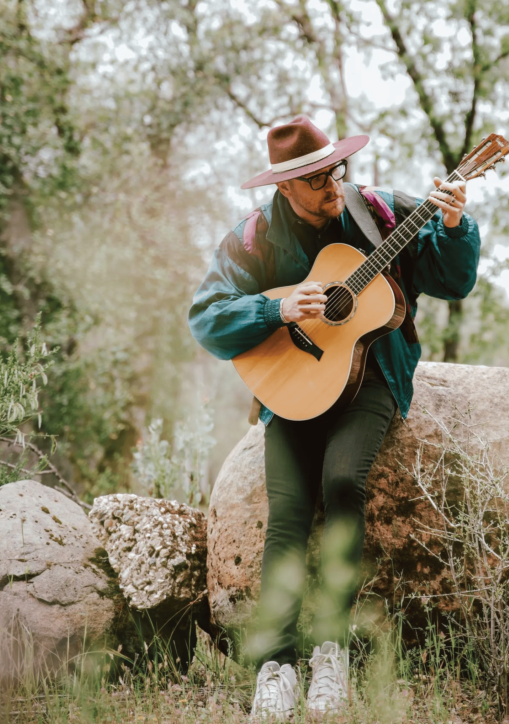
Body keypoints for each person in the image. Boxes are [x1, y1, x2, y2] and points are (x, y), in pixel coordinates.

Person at [189, 115, 480, 719]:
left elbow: (453, 281)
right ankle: (275, 666)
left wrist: (452, 223)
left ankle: (332, 655)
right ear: (284, 187)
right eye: (317, 181)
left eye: (335, 172)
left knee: (343, 484)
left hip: (372, 377)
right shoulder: (253, 238)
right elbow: (207, 317)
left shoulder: (381, 211)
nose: (332, 186)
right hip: (292, 387)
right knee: (288, 512)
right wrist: (276, 310)